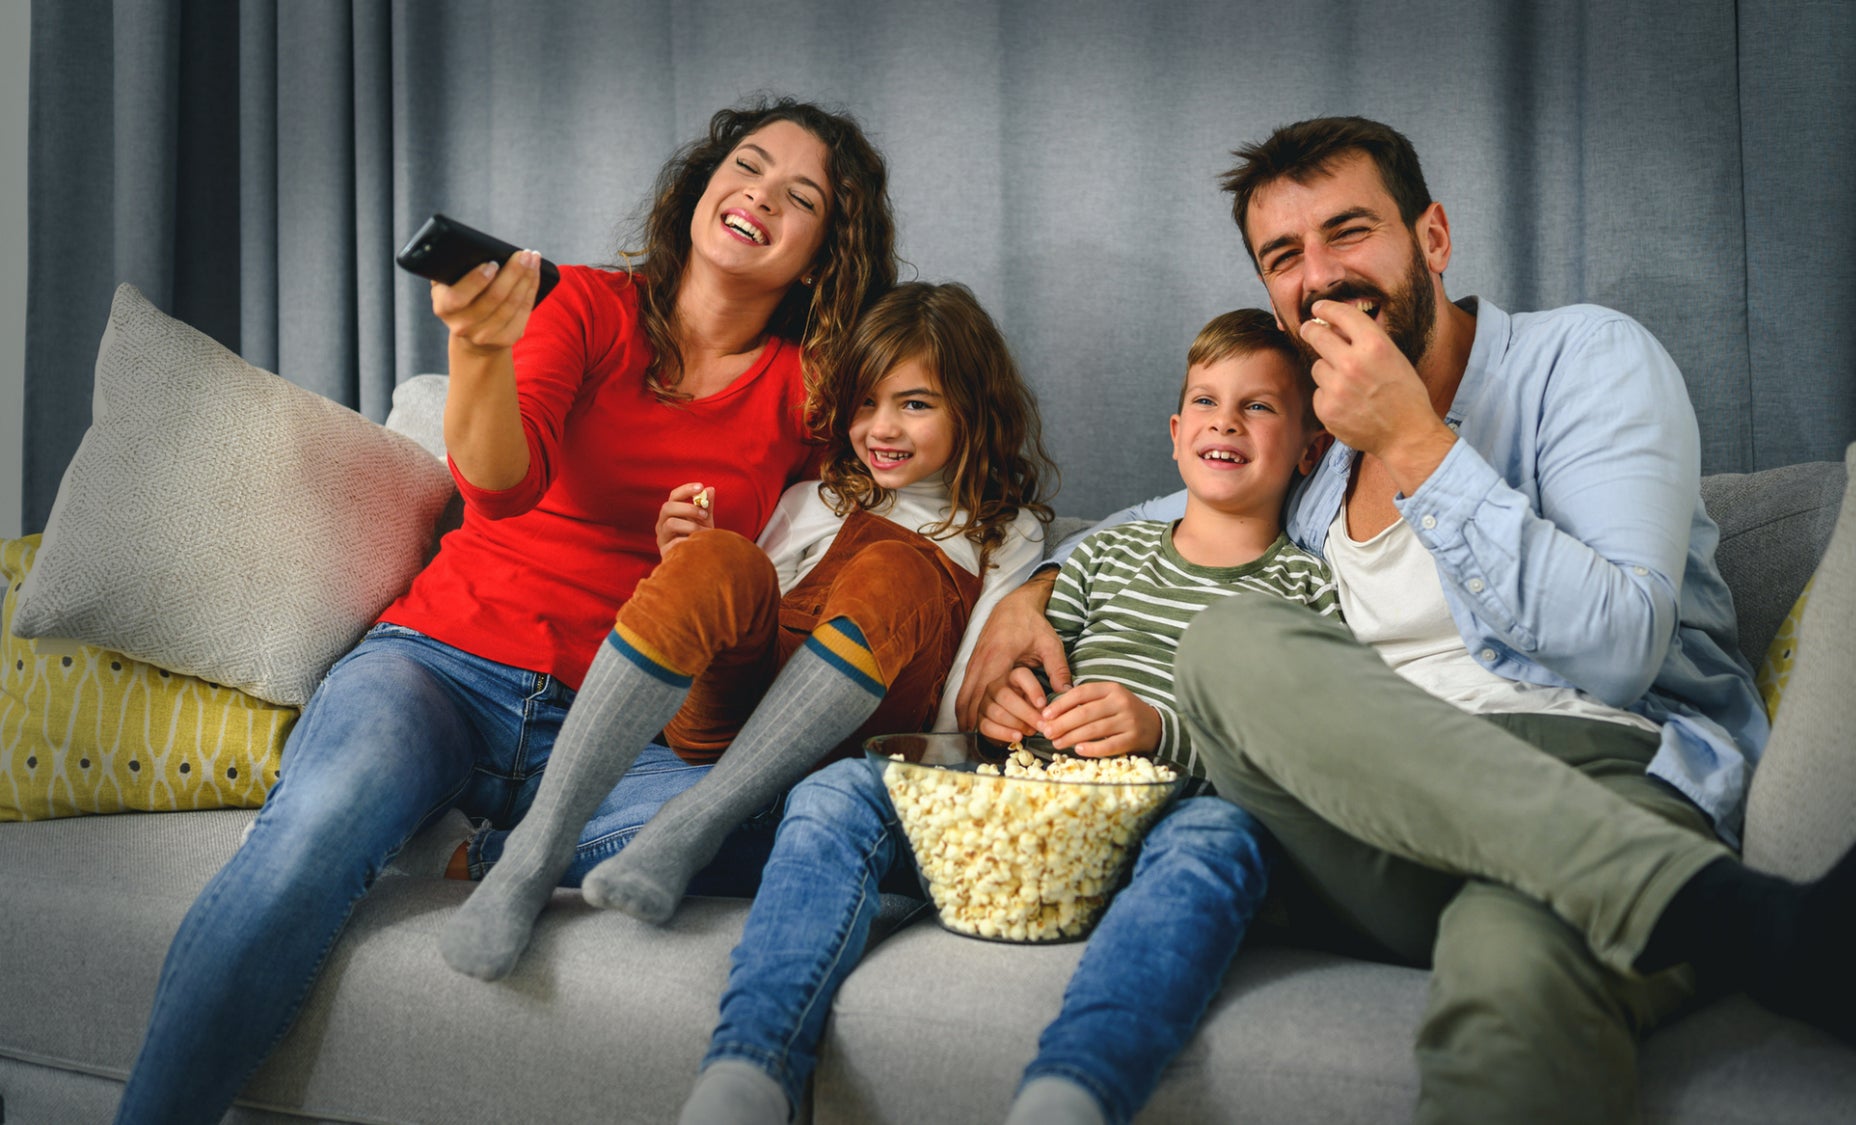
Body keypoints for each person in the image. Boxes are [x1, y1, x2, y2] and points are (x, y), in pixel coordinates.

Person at [958, 116, 1856, 1123]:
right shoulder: (1313, 465)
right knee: (1231, 642)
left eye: (1347, 232)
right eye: (1283, 256)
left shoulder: (1583, 361)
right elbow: (1177, 516)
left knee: (1516, 980)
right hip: (1372, 825)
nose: (1317, 275)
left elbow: (1619, 647)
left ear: (1430, 239)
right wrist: (1032, 587)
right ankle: (1737, 919)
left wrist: (1413, 437)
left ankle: (1670, 898)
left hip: (1600, 774)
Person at [114, 97, 899, 1125]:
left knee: (776, 827)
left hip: (612, 726)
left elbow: (916, 507)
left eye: (799, 198)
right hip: (439, 667)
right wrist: (479, 350)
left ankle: (481, 854)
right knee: (312, 836)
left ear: (819, 256)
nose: (758, 195)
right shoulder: (587, 306)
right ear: (703, 183)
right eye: (746, 166)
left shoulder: (810, 390)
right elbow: (497, 486)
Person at [677, 309, 1339, 1125]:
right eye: (1206, 401)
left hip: (1167, 822)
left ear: (1311, 447)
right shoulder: (1101, 554)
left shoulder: (1310, 587)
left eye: (1260, 406)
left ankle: (1075, 1090)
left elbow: (1297, 750)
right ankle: (749, 1070)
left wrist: (1161, 731)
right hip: (1023, 817)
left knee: (1225, 842)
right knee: (843, 789)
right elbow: (1001, 678)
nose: (1225, 423)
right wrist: (1003, 705)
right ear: (1175, 433)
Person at [438, 280, 1056, 980]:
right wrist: (691, 561)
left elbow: (964, 692)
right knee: (718, 554)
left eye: (914, 404)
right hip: (731, 721)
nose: (882, 428)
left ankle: (695, 823)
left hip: (852, 738)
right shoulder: (817, 496)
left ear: (973, 411)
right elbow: (747, 616)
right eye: (865, 403)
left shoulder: (1007, 534)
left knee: (895, 568)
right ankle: (530, 857)